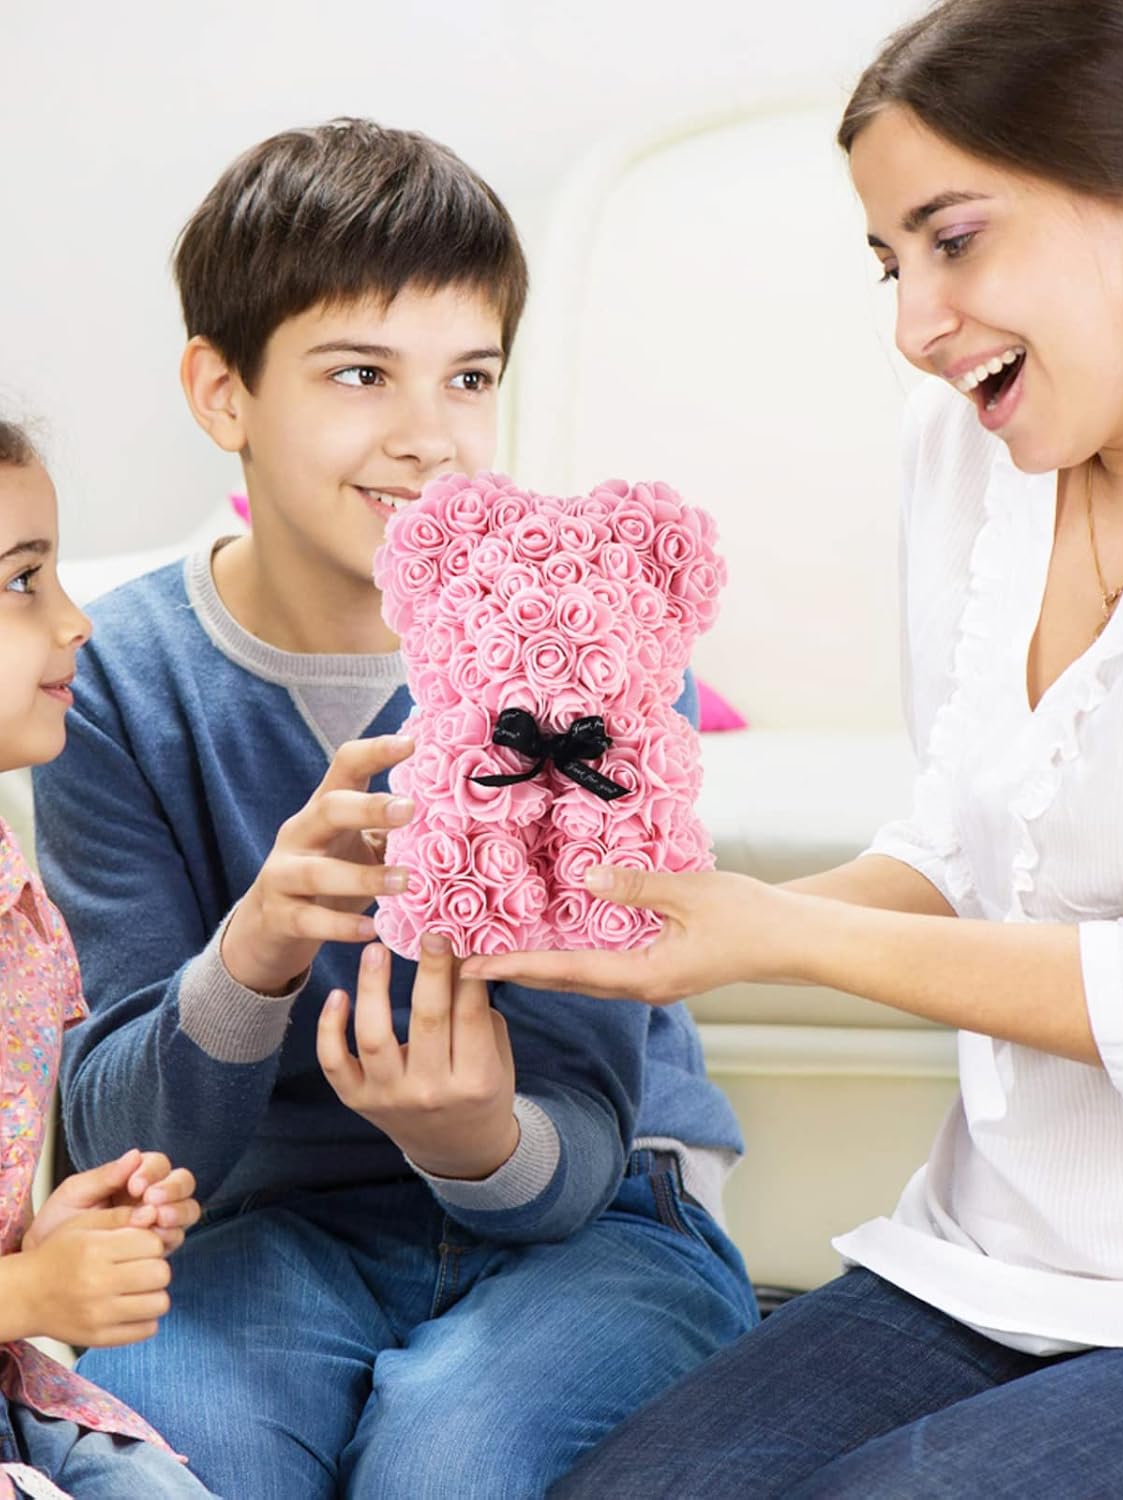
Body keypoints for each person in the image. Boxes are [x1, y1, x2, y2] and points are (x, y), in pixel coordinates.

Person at [470, 2, 1123, 1495]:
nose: (916, 324)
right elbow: (966, 846)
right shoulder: (966, 454)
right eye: (892, 262)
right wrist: (690, 927)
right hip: (996, 1258)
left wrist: (782, 938)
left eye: (955, 240)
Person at [32, 120, 755, 1499]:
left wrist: (469, 1136)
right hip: (260, 1228)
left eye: (469, 377)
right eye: (361, 373)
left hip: (597, 1214)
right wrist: (252, 954)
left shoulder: (582, 645)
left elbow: (581, 1129)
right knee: (168, 1467)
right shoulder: (113, 680)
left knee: (448, 1468)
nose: (430, 440)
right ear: (222, 391)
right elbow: (123, 1146)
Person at [0, 420, 213, 1498]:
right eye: (21, 581)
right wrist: (30, 1293)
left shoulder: (14, 892)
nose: (75, 620)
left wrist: (46, 1243)